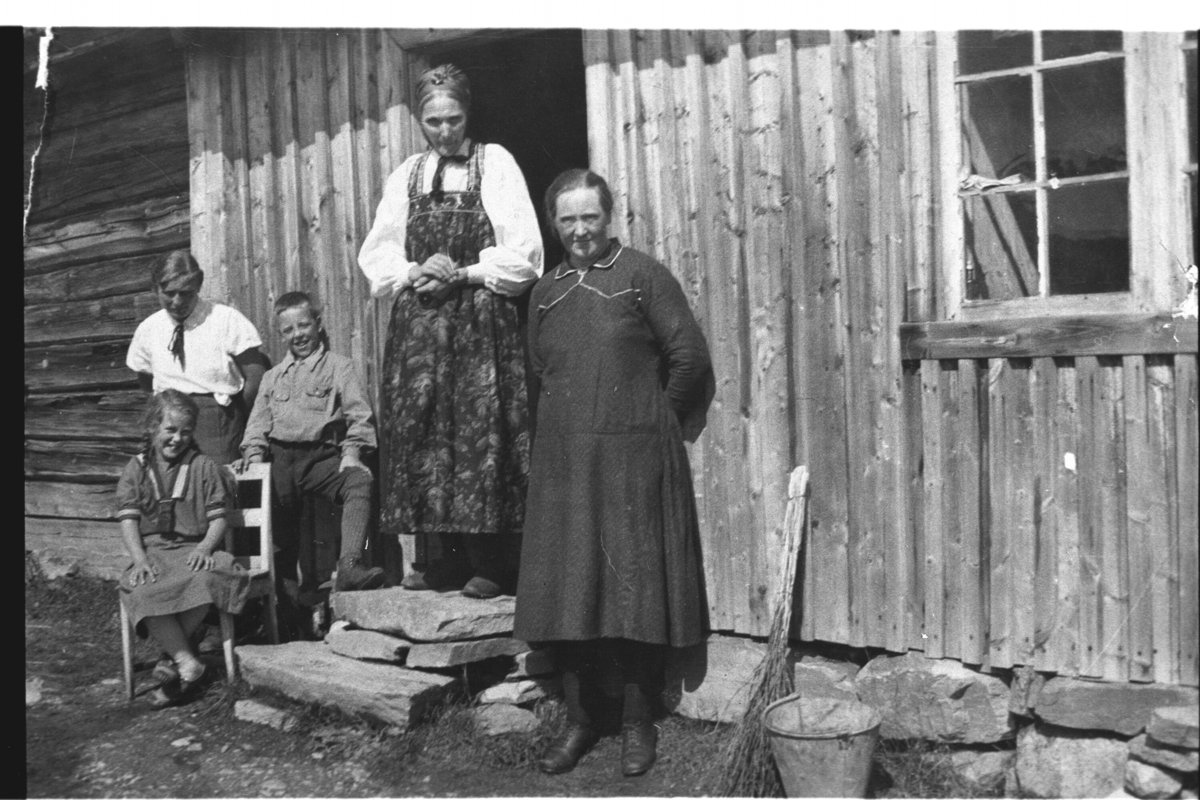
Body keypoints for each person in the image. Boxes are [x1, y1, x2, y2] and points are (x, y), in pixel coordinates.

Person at [513, 170, 714, 778]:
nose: (579, 231)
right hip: (566, 466)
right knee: (570, 588)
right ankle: (580, 720)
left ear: (609, 216)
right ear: (555, 223)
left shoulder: (643, 276)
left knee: (633, 590)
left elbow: (689, 358)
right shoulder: (544, 292)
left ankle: (636, 722)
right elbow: (539, 372)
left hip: (633, 461)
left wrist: (652, 422)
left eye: (590, 218)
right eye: (568, 219)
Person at [357, 63, 543, 599]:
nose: (444, 131)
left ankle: (492, 562)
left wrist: (462, 273)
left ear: (468, 114)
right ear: (420, 119)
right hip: (420, 324)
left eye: (453, 119)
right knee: (425, 432)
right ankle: (443, 560)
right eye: (433, 121)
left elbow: (525, 254)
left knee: (479, 431)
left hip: (479, 320)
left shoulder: (496, 163)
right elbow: (378, 251)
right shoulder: (406, 175)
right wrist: (413, 272)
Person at [234, 292, 387, 595]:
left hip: (321, 458)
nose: (298, 335)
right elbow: (257, 425)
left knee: (358, 480)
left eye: (303, 326)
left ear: (317, 324)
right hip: (279, 461)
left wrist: (353, 453)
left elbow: (360, 416)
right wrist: (253, 454)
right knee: (276, 528)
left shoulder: (339, 367)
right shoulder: (272, 377)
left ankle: (350, 566)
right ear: (281, 335)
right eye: (288, 330)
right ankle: (283, 602)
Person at [116, 390, 251, 708]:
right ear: (151, 427)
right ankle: (189, 663)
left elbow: (219, 519)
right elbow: (128, 522)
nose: (177, 438)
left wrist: (206, 547)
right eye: (170, 430)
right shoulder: (135, 469)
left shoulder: (203, 467)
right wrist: (139, 560)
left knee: (212, 576)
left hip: (194, 551)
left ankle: (171, 658)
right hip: (156, 554)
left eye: (186, 432)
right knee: (139, 587)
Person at [126, 250, 267, 466]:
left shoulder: (225, 320)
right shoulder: (149, 329)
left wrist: (234, 417)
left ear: (199, 284)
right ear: (155, 289)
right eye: (169, 293)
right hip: (170, 422)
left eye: (186, 293)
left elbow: (256, 378)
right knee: (170, 489)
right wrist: (168, 408)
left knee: (216, 487)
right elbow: (145, 378)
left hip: (218, 425)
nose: (177, 301)